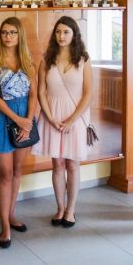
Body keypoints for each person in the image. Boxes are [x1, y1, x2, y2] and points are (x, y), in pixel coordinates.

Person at [0, 17, 38, 249]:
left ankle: (11, 214)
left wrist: (28, 121)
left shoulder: (29, 61)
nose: (8, 36)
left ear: (19, 35)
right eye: (4, 32)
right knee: (4, 174)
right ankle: (4, 226)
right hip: (1, 118)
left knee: (17, 171)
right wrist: (18, 120)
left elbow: (33, 95)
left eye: (12, 32)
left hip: (25, 120)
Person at [31, 16, 92, 228]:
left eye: (66, 32)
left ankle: (70, 210)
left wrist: (72, 120)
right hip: (52, 117)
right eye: (58, 32)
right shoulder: (46, 59)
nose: (61, 36)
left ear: (74, 34)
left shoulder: (83, 60)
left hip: (76, 118)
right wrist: (50, 118)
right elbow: (41, 92)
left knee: (72, 164)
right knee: (57, 164)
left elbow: (88, 93)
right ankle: (59, 207)